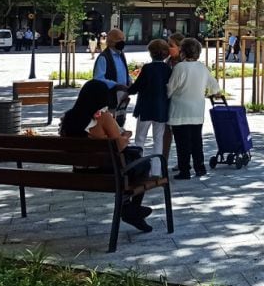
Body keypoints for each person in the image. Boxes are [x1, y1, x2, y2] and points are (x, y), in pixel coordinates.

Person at [58, 79, 152, 233]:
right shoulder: (103, 117)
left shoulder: (68, 118)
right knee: (143, 164)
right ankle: (130, 209)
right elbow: (119, 146)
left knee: (134, 161)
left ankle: (130, 209)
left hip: (80, 171)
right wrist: (125, 136)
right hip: (106, 172)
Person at [167, 37, 220, 179]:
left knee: (182, 143)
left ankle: (184, 170)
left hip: (180, 112)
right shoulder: (202, 68)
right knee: (197, 140)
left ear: (183, 51)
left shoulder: (180, 67)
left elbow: (170, 88)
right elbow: (214, 86)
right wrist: (209, 93)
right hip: (197, 111)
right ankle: (199, 167)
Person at [127, 39, 172, 177]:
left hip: (145, 108)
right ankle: (156, 171)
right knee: (158, 140)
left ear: (151, 53)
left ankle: (140, 169)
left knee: (140, 138)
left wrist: (127, 90)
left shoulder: (147, 68)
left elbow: (137, 87)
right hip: (161, 109)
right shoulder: (168, 69)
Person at [93, 28, 131, 116]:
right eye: (119, 40)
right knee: (111, 121)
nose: (122, 42)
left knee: (120, 120)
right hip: (109, 99)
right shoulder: (104, 57)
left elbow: (124, 71)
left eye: (123, 39)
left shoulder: (121, 54)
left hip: (122, 97)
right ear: (111, 42)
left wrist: (129, 80)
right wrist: (116, 85)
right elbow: (98, 79)